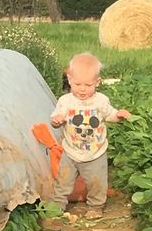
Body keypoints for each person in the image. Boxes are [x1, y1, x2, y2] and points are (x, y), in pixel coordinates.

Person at [50, 52, 130, 218]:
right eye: (78, 84)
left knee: (96, 182)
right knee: (63, 180)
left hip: (95, 152)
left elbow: (110, 115)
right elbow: (55, 119)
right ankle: (57, 205)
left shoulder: (101, 101)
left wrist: (119, 115)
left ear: (97, 82)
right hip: (70, 151)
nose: (82, 89)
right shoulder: (65, 101)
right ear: (69, 79)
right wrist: (56, 120)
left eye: (88, 85)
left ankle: (96, 206)